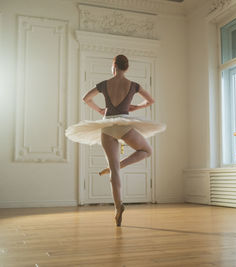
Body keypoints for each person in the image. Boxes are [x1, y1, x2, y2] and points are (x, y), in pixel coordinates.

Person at [65, 55, 166, 227]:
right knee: (147, 151)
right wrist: (137, 107)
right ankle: (122, 164)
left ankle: (118, 207)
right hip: (124, 125)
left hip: (108, 125)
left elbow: (86, 98)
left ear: (114, 66)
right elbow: (151, 101)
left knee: (114, 171)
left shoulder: (104, 84)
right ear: (126, 68)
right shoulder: (133, 85)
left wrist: (99, 110)